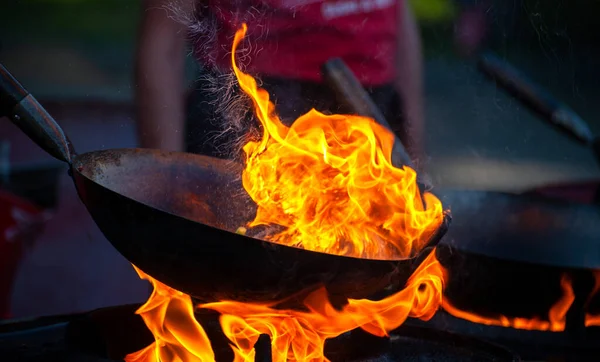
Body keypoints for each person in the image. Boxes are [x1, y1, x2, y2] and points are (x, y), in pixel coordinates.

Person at [135, 0, 426, 166]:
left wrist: (413, 147)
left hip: (373, 119)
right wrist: (166, 176)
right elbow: (163, 46)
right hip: (251, 122)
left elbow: (398, 18)